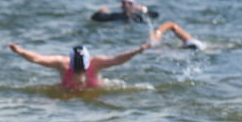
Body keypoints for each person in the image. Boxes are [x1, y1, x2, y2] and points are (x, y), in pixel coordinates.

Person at [8, 41, 153, 92]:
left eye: (82, 69)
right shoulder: (62, 63)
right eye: (77, 69)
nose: (80, 72)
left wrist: (137, 51)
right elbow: (37, 59)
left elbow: (117, 60)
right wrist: (20, 51)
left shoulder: (96, 63)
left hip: (94, 92)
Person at [92, 0, 159, 23]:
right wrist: (99, 12)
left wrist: (144, 9)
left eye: (129, 3)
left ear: (134, 4)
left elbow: (155, 15)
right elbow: (95, 18)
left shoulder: (138, 16)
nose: (126, 5)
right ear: (121, 5)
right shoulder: (116, 16)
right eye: (124, 3)